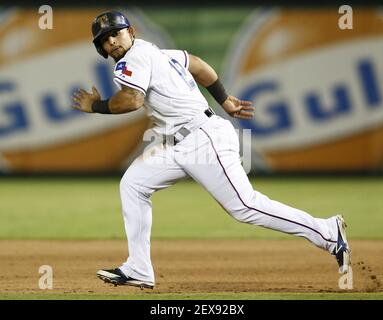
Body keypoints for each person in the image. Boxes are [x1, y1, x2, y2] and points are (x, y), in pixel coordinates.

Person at [72, 11, 351, 289]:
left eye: (116, 33)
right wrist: (224, 98)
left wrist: (94, 106)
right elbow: (197, 64)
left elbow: (132, 100)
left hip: (202, 139)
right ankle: (139, 268)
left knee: (245, 206)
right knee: (133, 184)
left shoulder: (131, 61)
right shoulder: (158, 53)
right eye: (105, 39)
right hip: (179, 144)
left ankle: (327, 232)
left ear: (130, 32)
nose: (112, 41)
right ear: (101, 48)